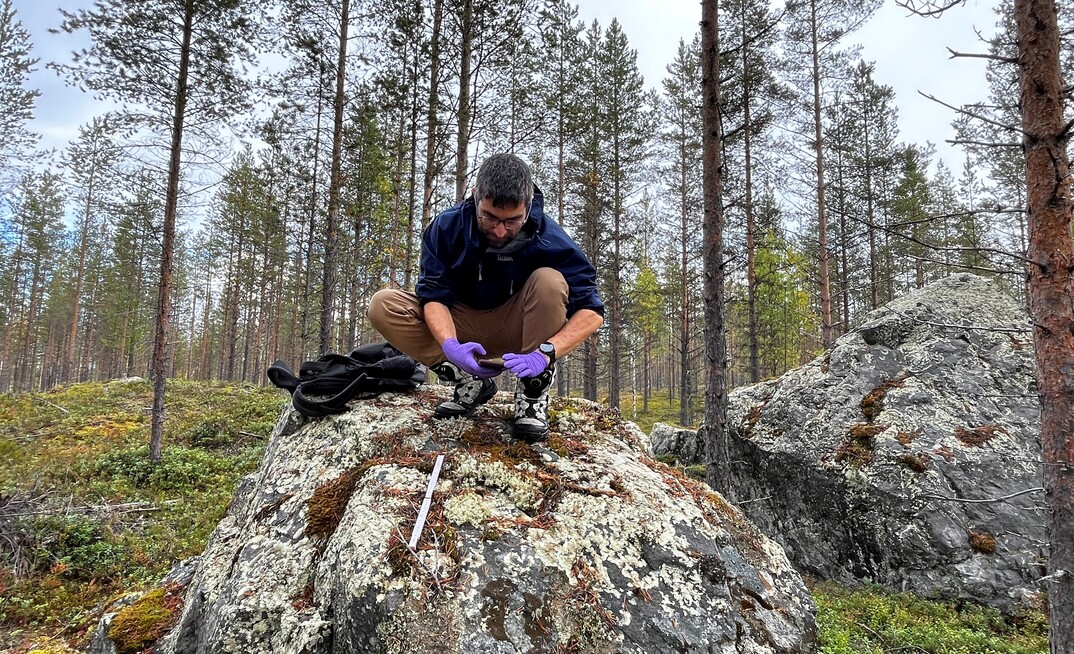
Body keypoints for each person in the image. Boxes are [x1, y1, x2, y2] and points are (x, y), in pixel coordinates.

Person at [367, 153, 604, 441]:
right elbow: (434, 295)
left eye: (513, 221)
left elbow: (592, 311)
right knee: (384, 305)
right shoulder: (447, 227)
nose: (500, 231)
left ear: (529, 205)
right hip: (461, 325)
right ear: (476, 195)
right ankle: (468, 379)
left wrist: (545, 354)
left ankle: (532, 392)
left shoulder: (551, 240)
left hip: (521, 329)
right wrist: (450, 345)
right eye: (489, 217)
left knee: (550, 281)